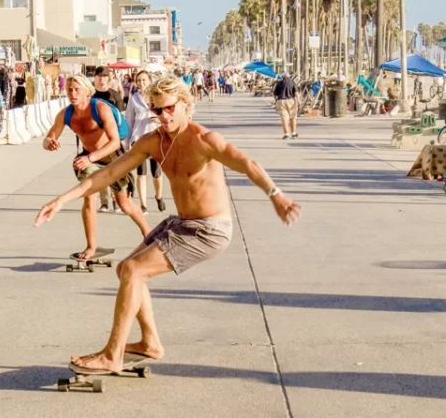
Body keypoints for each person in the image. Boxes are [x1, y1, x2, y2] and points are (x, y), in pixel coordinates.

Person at [35, 75, 301, 374]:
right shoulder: (154, 141)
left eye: (169, 108)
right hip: (181, 223)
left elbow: (247, 164)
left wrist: (276, 196)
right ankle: (149, 342)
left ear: (186, 104)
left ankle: (112, 355)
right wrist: (61, 200)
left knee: (134, 270)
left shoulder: (205, 140)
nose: (163, 116)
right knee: (125, 270)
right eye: (156, 110)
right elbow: (107, 174)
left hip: (209, 230)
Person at [42, 74, 150, 260]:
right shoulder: (66, 114)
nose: (73, 94)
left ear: (86, 91)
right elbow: (49, 137)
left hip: (112, 157)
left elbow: (115, 142)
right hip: (89, 159)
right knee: (89, 197)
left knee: (125, 204)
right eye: (69, 90)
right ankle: (91, 247)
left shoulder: (100, 108)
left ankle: (149, 235)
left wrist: (91, 158)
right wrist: (49, 142)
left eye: (77, 90)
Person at [125, 70, 167, 213]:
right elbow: (129, 120)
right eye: (139, 80)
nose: (141, 83)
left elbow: (167, 114)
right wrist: (127, 141)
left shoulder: (157, 96)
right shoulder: (134, 98)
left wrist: (159, 120)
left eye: (144, 80)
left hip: (156, 137)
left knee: (156, 173)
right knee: (141, 173)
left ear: (149, 81)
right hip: (139, 138)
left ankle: (158, 196)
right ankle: (143, 205)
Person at [93, 67, 129, 213]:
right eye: (99, 76)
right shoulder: (91, 95)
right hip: (96, 139)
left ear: (109, 78)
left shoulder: (115, 95)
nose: (102, 79)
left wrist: (122, 140)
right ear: (95, 78)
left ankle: (116, 200)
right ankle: (104, 202)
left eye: (104, 76)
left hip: (113, 139)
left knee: (114, 170)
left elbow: (121, 118)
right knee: (99, 171)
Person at [273, 71, 299, 139]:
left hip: (281, 101)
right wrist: (298, 101)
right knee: (293, 117)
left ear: (282, 77)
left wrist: (276, 100)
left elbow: (274, 94)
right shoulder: (292, 82)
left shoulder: (279, 83)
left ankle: (286, 134)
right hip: (291, 101)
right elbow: (296, 93)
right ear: (289, 76)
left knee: (284, 118)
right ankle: (293, 133)